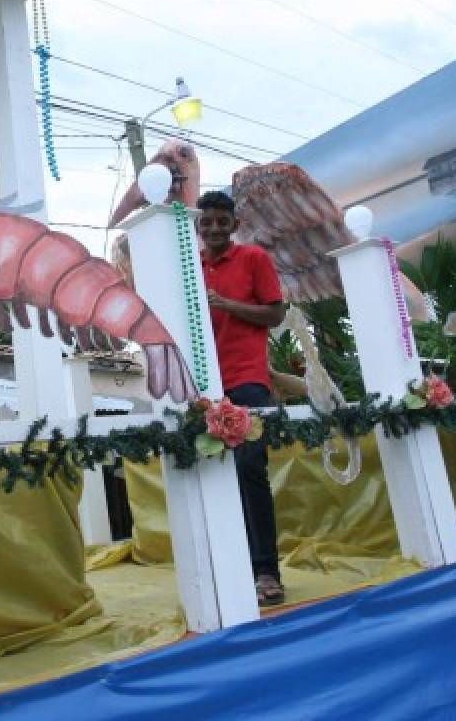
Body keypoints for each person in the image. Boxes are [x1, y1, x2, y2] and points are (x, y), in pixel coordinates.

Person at [196, 189, 287, 606]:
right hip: (204, 387)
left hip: (248, 379)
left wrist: (226, 304)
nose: (214, 227)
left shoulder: (252, 258)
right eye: (207, 221)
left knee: (251, 469)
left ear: (235, 224)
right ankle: (224, 568)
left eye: (221, 221)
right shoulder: (190, 267)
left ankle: (266, 571)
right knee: (207, 473)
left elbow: (275, 313)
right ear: (198, 227)